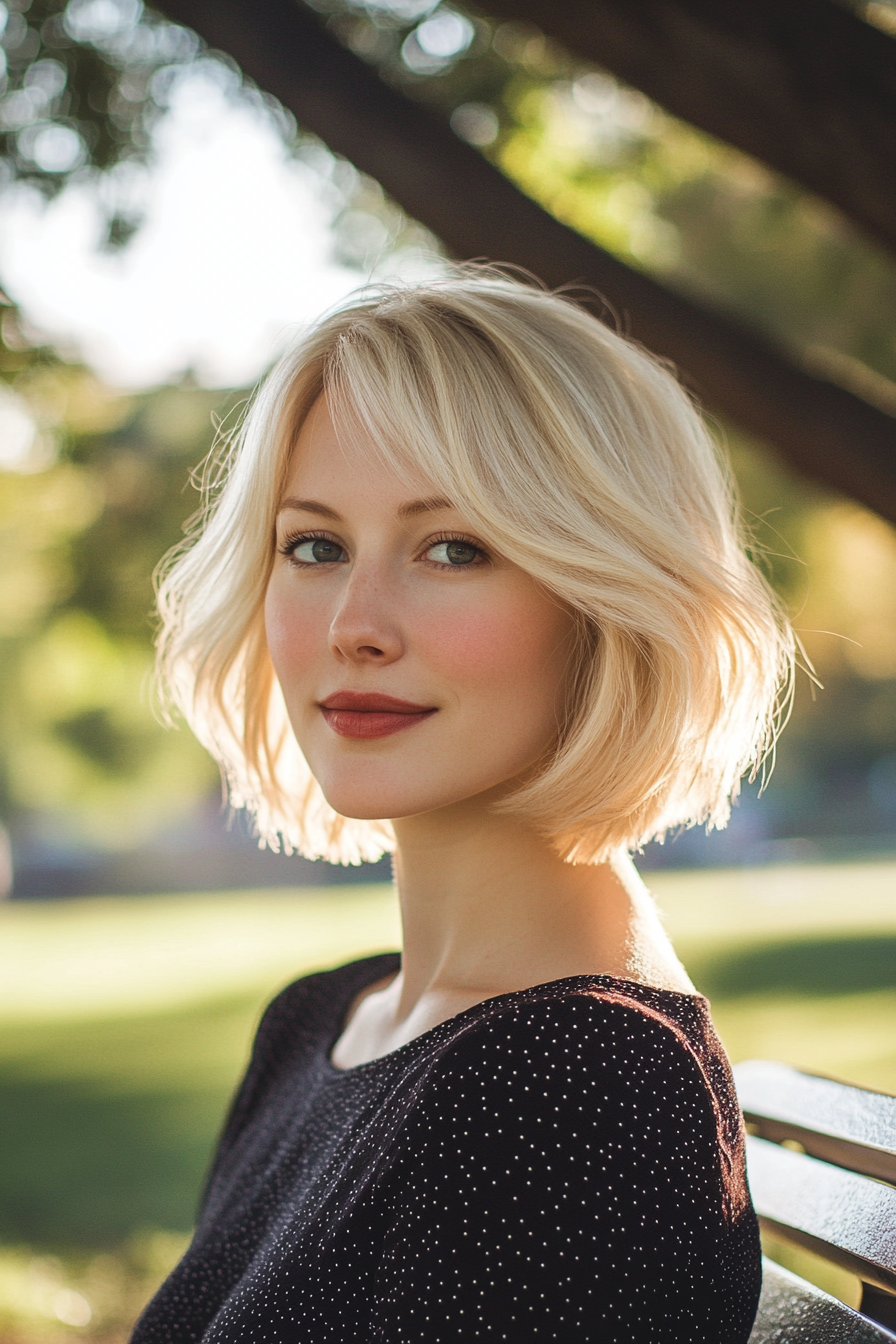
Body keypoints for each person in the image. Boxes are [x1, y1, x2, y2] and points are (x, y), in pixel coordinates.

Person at [135, 269, 792, 1343]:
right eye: (314, 545)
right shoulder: (319, 1023)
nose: (355, 622)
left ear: (602, 596)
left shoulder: (574, 1085)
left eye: (453, 548)